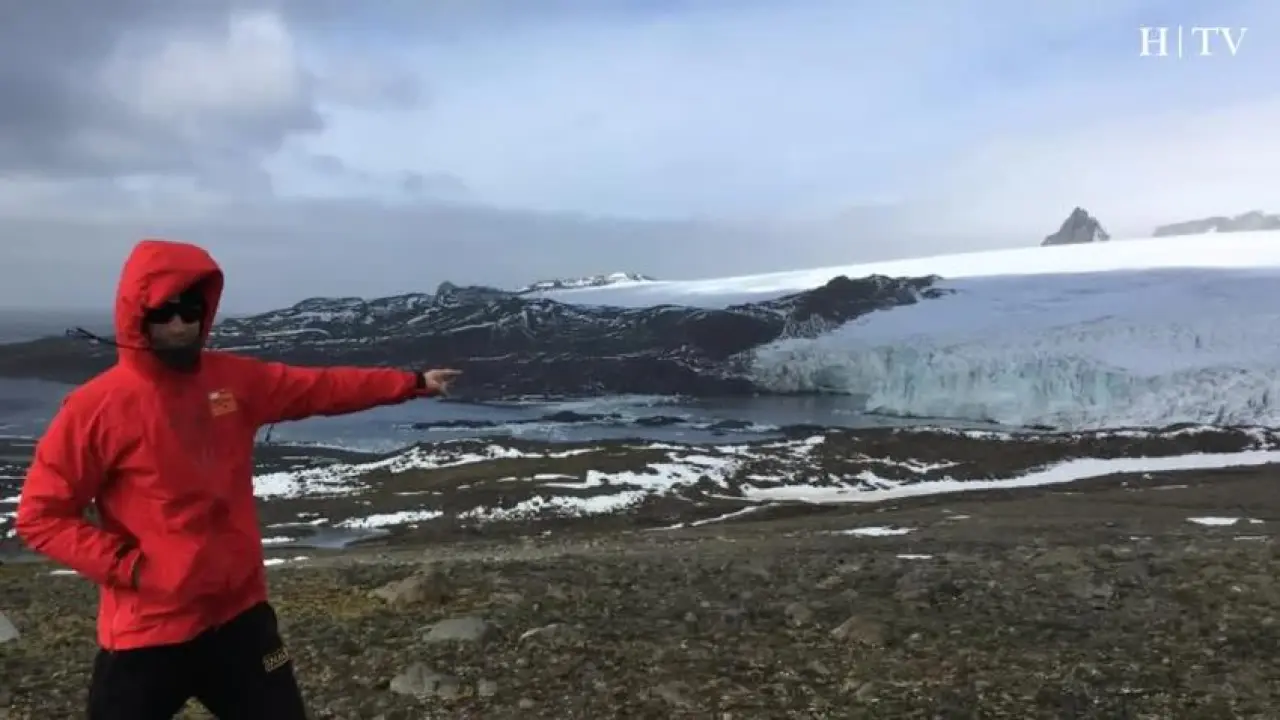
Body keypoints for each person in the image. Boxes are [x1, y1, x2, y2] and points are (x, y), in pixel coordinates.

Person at [14, 238, 461, 719]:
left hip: (239, 617)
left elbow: (321, 387)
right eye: (164, 312)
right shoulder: (95, 408)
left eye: (190, 310)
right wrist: (131, 567)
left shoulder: (233, 381)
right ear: (136, 316)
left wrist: (411, 383)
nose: (180, 325)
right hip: (148, 630)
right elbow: (41, 518)